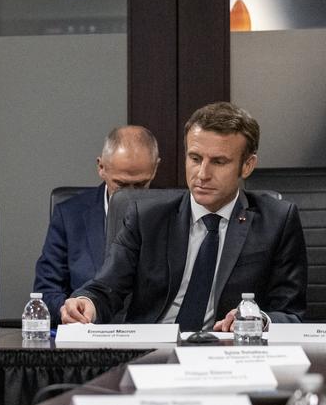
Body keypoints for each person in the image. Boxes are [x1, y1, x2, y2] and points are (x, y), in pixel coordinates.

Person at [61, 102, 306, 330]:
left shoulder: (277, 221)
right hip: (153, 351)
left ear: (247, 165)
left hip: (228, 353)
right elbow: (106, 288)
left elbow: (289, 313)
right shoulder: (147, 218)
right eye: (195, 158)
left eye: (219, 162)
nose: (202, 174)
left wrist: (257, 320)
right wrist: (86, 303)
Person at [32, 126, 159, 319]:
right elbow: (46, 292)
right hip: (88, 331)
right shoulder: (69, 215)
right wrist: (69, 311)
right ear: (101, 167)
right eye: (122, 185)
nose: (131, 194)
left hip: (152, 334)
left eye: (141, 185)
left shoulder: (172, 215)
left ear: (155, 168)